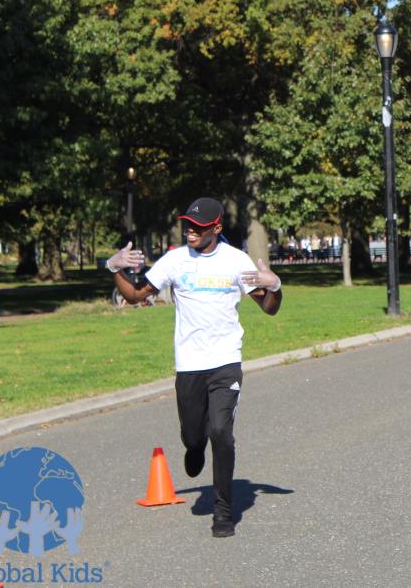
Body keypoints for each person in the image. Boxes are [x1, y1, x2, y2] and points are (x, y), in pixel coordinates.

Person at [105, 197, 283, 539]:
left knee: (221, 431)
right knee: (193, 433)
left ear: (216, 228)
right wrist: (114, 268)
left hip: (225, 361)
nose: (190, 231)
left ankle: (223, 512)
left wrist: (275, 287)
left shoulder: (236, 261)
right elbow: (136, 295)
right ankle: (194, 446)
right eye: (187, 224)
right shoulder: (175, 261)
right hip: (189, 364)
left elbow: (268, 307)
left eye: (198, 227)